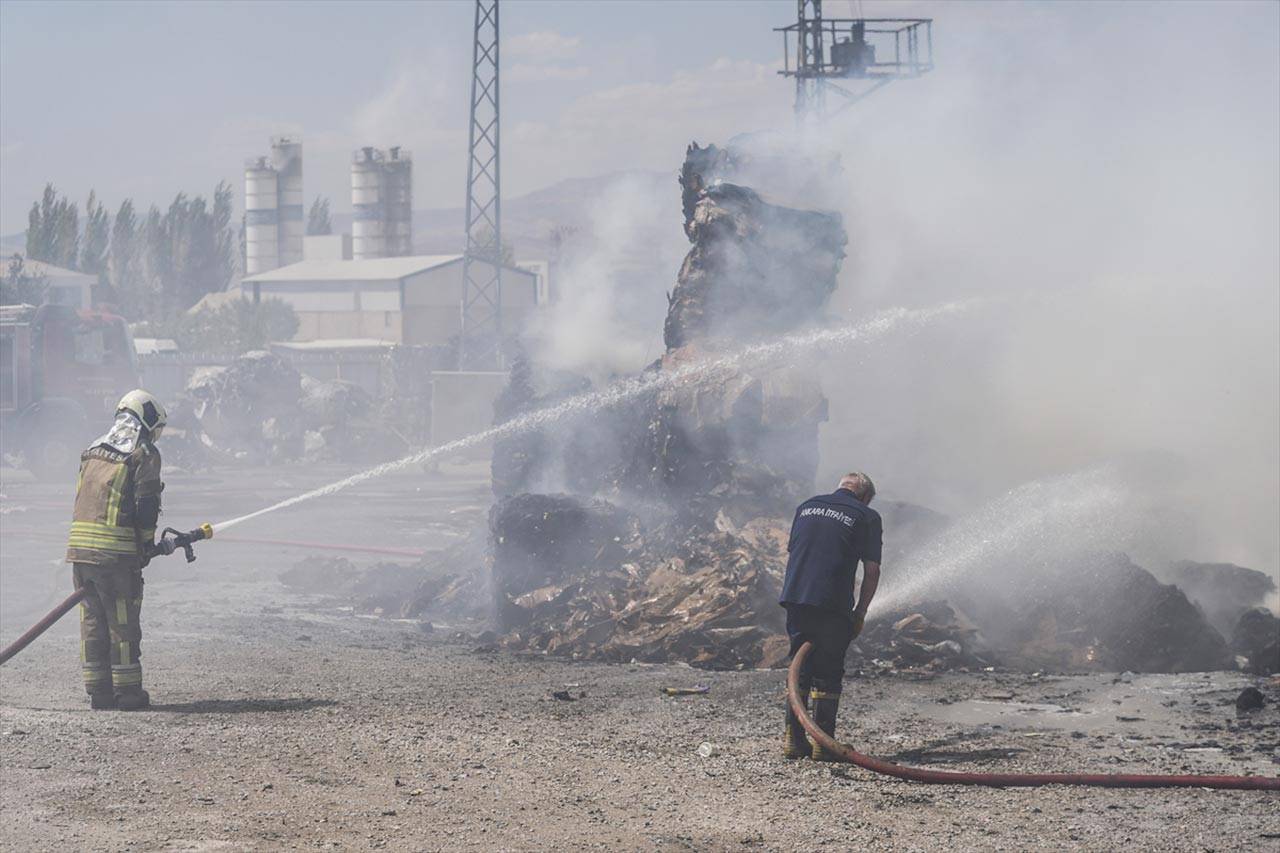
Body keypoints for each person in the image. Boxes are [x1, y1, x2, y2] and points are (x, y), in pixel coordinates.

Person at [64, 390, 168, 711]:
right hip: (115, 557)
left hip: (81, 553)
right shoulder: (142, 451)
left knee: (92, 620)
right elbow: (146, 502)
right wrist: (147, 544)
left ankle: (99, 691)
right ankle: (128, 695)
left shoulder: (93, 449)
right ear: (148, 420)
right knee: (121, 621)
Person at [778, 471, 882, 760]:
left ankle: (793, 740)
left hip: (796, 596)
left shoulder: (806, 506)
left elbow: (802, 551)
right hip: (832, 603)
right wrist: (860, 612)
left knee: (799, 669)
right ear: (865, 496)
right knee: (827, 672)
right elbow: (872, 571)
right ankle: (823, 745)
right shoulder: (867, 516)